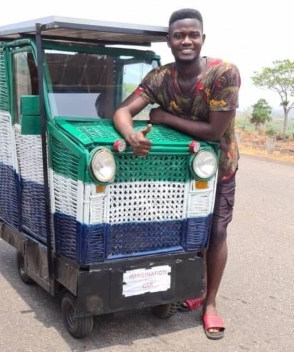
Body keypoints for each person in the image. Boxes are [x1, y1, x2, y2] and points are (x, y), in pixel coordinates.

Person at [113, 8, 241, 340]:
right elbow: (123, 111)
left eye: (192, 34)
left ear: (202, 39)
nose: (186, 40)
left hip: (217, 169)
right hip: (175, 171)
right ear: (169, 41)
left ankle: (209, 303)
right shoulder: (160, 78)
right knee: (180, 230)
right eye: (179, 35)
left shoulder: (222, 74)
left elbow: (214, 131)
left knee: (216, 232)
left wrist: (164, 118)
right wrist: (132, 135)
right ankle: (188, 288)